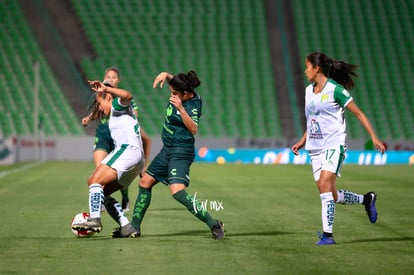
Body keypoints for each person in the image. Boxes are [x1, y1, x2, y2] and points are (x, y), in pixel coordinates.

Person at [291, 52, 386, 245]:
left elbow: (359, 113)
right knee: (329, 193)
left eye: (307, 67)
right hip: (315, 148)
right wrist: (302, 140)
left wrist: (374, 136)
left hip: (334, 144)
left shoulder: (336, 90)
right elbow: (312, 120)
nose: (305, 70)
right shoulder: (309, 91)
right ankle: (366, 200)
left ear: (317, 68)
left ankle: (328, 236)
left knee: (325, 183)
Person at [125, 70, 225, 240]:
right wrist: (166, 75)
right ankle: (134, 227)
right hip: (167, 149)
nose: (171, 95)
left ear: (185, 94)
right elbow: (176, 84)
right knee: (145, 182)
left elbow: (193, 129)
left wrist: (180, 108)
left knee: (177, 191)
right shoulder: (182, 89)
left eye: (174, 94)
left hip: (181, 151)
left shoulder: (193, 104)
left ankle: (214, 224)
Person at [72, 79, 145, 238]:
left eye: (99, 103)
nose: (99, 108)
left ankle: (94, 220)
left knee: (94, 180)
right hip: (136, 159)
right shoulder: (115, 115)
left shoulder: (118, 106)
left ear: (108, 98)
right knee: (102, 192)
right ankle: (126, 227)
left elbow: (127, 95)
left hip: (128, 151)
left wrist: (106, 88)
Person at [81, 67, 151, 212]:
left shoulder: (118, 103)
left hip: (125, 148)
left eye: (113, 77)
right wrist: (89, 117)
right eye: (108, 76)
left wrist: (106, 89)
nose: (111, 79)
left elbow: (128, 99)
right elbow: (100, 109)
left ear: (118, 81)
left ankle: (96, 217)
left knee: (96, 180)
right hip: (105, 136)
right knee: (98, 179)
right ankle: (124, 224)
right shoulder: (108, 106)